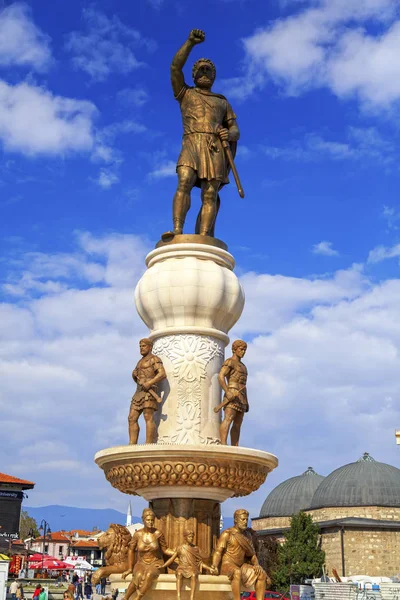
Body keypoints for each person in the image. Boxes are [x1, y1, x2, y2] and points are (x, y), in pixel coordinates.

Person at [167, 29, 240, 238]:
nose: (205, 73)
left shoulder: (222, 102)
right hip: (191, 143)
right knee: (184, 180)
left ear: (214, 76)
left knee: (210, 193)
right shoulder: (185, 93)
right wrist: (190, 42)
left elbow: (236, 130)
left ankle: (205, 236)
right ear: (194, 75)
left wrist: (229, 134)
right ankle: (177, 230)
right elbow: (174, 67)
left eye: (209, 70)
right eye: (201, 70)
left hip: (214, 146)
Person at [212, 509, 269, 600]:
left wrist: (256, 564)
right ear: (236, 520)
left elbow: (252, 555)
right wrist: (214, 565)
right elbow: (218, 552)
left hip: (241, 566)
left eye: (246, 519)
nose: (245, 522)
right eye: (243, 519)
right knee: (236, 572)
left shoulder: (247, 535)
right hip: (227, 565)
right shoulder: (227, 534)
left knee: (261, 574)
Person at [122, 508, 175, 600]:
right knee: (138, 575)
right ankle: (125, 598)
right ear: (143, 520)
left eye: (152, 520)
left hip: (156, 562)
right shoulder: (137, 534)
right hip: (141, 563)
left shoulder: (158, 533)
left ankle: (138, 598)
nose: (150, 522)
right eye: (148, 520)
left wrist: (176, 552)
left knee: (150, 574)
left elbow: (165, 550)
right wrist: (130, 568)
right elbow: (131, 550)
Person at [128, 339, 166, 445]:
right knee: (131, 417)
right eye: (140, 346)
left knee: (148, 416)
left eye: (144, 346)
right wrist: (134, 375)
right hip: (139, 392)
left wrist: (149, 383)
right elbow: (138, 377)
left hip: (150, 392)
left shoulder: (154, 359)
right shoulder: (140, 361)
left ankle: (148, 443)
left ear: (150, 347)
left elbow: (162, 374)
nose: (141, 348)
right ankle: (132, 443)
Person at [162, 529, 217, 600]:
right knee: (179, 574)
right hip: (182, 567)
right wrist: (163, 566)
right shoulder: (180, 548)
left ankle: (192, 597)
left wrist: (210, 568)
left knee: (194, 575)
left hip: (192, 568)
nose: (191, 538)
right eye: (189, 537)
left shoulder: (196, 549)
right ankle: (178, 596)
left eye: (192, 537)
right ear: (185, 537)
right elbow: (172, 559)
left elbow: (200, 563)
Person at [217, 339, 248, 446]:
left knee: (238, 423)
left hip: (242, 395)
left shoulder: (243, 366)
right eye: (241, 349)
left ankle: (235, 445)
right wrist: (227, 391)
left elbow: (244, 385)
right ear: (235, 349)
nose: (243, 352)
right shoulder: (230, 362)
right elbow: (221, 376)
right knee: (228, 418)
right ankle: (223, 444)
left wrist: (246, 401)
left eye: (245, 350)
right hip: (232, 392)